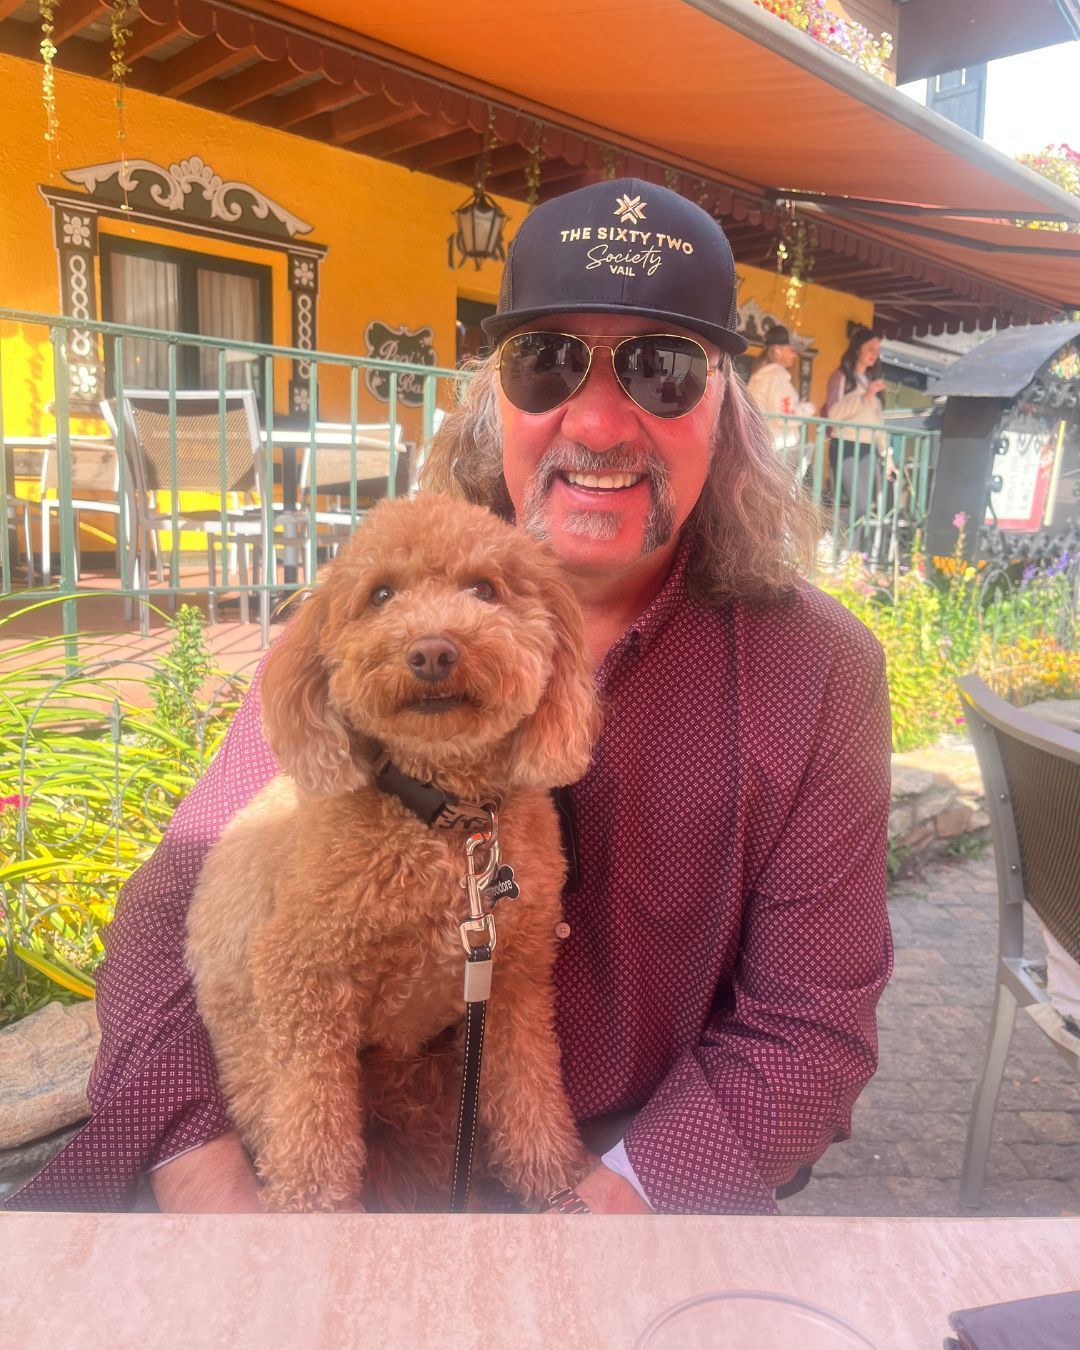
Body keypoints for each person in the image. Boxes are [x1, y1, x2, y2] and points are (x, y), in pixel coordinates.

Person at [4, 180, 893, 1217]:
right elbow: (177, 898)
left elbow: (810, 1027)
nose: (600, 421)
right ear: (495, 399)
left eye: (662, 369)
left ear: (726, 413)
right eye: (547, 360)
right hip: (316, 1163)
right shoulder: (368, 618)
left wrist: (608, 1212)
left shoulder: (820, 672)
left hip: (611, 1179)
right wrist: (204, 1176)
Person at [821, 326, 898, 558]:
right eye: (870, 348)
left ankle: (854, 556)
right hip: (845, 445)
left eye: (877, 350)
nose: (874, 354)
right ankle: (846, 553)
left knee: (867, 506)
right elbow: (833, 412)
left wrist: (888, 458)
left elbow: (879, 426)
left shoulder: (870, 380)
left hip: (868, 449)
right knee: (858, 504)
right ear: (857, 350)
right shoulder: (842, 376)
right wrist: (864, 398)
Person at [746, 324, 816, 462]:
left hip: (763, 447)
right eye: (792, 350)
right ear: (778, 350)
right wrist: (808, 408)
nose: (794, 355)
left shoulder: (762, 376)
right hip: (777, 450)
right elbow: (784, 418)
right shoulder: (776, 378)